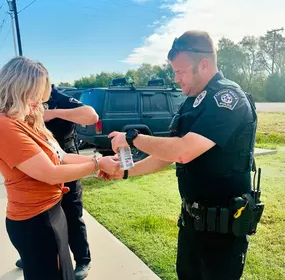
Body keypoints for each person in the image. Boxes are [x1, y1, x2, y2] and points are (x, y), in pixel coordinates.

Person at [107, 30, 261, 280]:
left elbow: (184, 151)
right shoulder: (192, 102)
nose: (177, 79)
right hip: (191, 224)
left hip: (223, 232)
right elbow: (168, 154)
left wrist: (132, 138)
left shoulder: (228, 98)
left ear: (204, 64)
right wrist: (125, 171)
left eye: (180, 72)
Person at [0, 56, 119, 280]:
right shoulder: (4, 125)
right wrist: (96, 165)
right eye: (34, 97)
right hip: (34, 221)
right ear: (18, 89)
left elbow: (61, 157)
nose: (38, 104)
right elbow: (49, 173)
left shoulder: (27, 121)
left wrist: (98, 160)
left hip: (52, 212)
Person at [16, 85, 97, 280]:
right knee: (43, 217)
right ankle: (32, 256)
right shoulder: (22, 100)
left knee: (72, 214)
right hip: (35, 165)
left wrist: (52, 113)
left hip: (65, 161)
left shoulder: (59, 98)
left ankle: (82, 260)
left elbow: (91, 116)